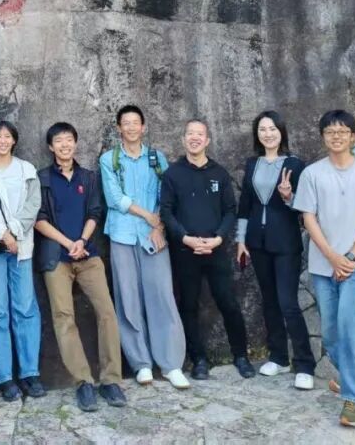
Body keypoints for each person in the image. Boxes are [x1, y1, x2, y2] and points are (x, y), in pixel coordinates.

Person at [291, 110, 355, 429]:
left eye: (342, 131)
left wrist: (350, 257)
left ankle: (354, 398)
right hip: (324, 264)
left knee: (349, 325)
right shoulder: (312, 174)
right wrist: (333, 258)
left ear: (353, 136)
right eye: (330, 132)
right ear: (323, 136)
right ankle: (351, 377)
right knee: (332, 333)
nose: (336, 136)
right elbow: (308, 218)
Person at [33, 122, 126, 412]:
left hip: (88, 254)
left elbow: (95, 212)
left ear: (75, 143)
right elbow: (39, 219)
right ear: (51, 147)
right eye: (59, 140)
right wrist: (68, 243)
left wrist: (82, 241)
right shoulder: (42, 178)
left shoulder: (88, 177)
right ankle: (83, 382)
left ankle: (111, 380)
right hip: (56, 258)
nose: (64, 145)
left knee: (107, 312)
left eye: (69, 139)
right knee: (64, 318)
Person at [99, 105, 188, 389]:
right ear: (118, 128)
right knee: (128, 299)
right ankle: (141, 363)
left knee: (162, 295)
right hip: (123, 235)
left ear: (143, 126)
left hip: (153, 236)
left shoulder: (156, 158)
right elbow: (115, 198)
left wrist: (158, 227)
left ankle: (171, 363)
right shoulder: (109, 159)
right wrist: (147, 216)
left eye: (135, 122)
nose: (131, 127)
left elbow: (167, 196)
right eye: (125, 123)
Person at [160, 119, 253, 380]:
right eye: (190, 133)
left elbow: (230, 211)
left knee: (228, 302)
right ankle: (198, 360)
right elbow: (166, 211)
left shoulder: (219, 173)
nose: (194, 138)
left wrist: (219, 238)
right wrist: (185, 238)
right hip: (185, 251)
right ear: (183, 139)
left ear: (207, 140)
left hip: (215, 249)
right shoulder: (172, 174)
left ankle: (241, 356)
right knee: (189, 305)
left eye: (199, 134)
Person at [235, 111, 315, 390]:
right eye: (262, 129)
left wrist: (288, 196)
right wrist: (241, 240)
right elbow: (245, 205)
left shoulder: (295, 164)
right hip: (257, 243)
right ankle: (278, 357)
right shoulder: (252, 163)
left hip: (285, 243)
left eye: (272, 129)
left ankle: (304, 364)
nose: (268, 134)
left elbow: (305, 207)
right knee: (268, 301)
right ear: (257, 135)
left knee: (287, 302)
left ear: (281, 132)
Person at [0, 121, 44, 401]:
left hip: (22, 247)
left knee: (25, 307)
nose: (2, 141)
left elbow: (33, 205)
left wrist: (13, 233)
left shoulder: (27, 170)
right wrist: (1, 235)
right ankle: (4, 377)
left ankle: (29, 372)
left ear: (14, 140)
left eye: (7, 136)